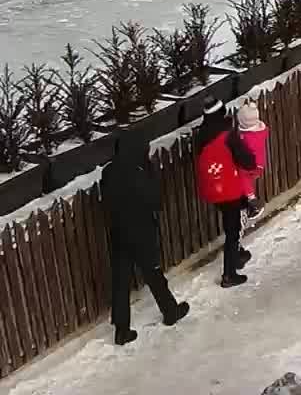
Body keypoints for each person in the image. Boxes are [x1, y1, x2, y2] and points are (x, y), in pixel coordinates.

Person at [101, 142, 190, 344]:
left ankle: (122, 329)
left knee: (121, 281)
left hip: (118, 232)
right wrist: (150, 172)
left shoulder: (109, 172)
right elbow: (155, 200)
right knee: (153, 273)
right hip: (140, 232)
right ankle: (170, 310)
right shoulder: (138, 173)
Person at [192, 98, 259, 288]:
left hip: (212, 190)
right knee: (233, 229)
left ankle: (237, 254)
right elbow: (246, 159)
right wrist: (252, 163)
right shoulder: (227, 135)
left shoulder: (201, 135)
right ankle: (229, 273)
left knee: (233, 219)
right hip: (229, 189)